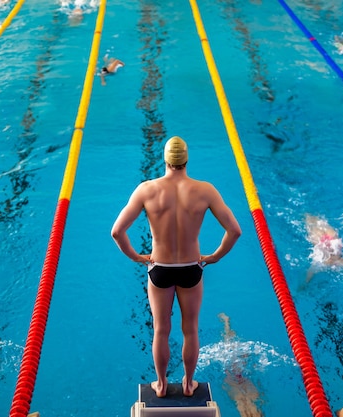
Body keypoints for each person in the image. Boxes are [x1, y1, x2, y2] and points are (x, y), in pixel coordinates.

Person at [111, 136, 242, 398]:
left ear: (165, 159)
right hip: (192, 268)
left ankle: (160, 385)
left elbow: (117, 232)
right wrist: (215, 255)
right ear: (186, 159)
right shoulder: (205, 190)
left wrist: (137, 256)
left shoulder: (147, 190)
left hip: (159, 266)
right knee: (190, 328)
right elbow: (234, 231)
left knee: (161, 329)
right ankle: (188, 383)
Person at [219, 313, 263, 417]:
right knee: (244, 401)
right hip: (240, 381)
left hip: (237, 380)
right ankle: (226, 322)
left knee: (242, 401)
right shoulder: (235, 361)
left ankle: (226, 322)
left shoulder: (231, 358)